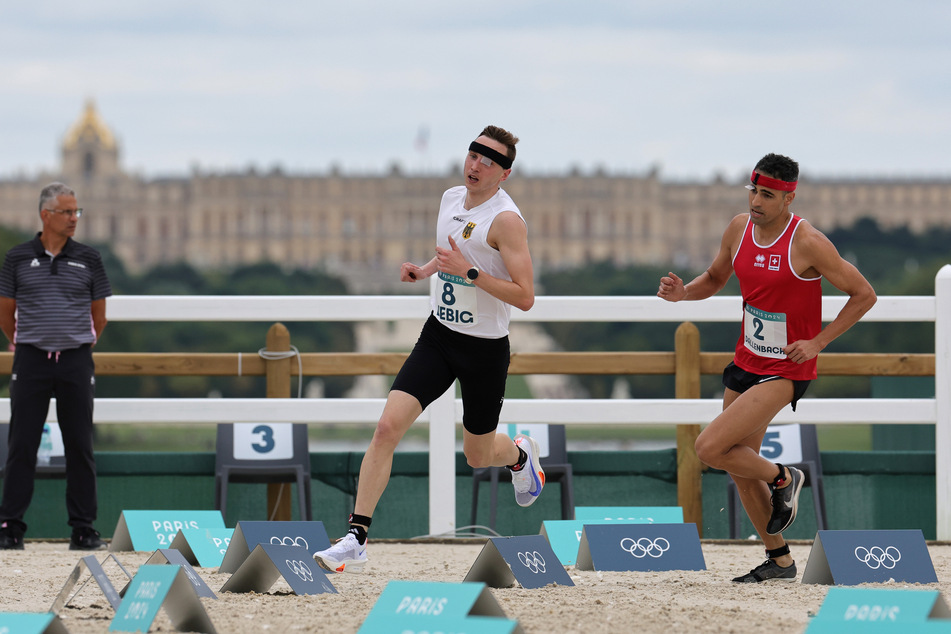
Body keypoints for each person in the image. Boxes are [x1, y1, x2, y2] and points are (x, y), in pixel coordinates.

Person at [313, 125, 540, 572]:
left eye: (488, 160)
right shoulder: (450, 198)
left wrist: (469, 274)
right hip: (439, 335)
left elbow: (525, 296)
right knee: (386, 429)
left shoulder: (507, 220)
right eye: (474, 154)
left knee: (477, 456)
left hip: (484, 349)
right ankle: (355, 538)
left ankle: (520, 456)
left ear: (504, 174)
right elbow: (453, 251)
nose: (476, 164)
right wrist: (426, 269)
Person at [657, 153, 876, 582]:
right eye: (754, 191)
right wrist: (684, 294)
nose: (757, 201)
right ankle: (779, 561)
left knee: (708, 448)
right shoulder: (739, 228)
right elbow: (716, 278)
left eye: (767, 195)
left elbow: (864, 294)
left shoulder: (808, 241)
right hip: (746, 360)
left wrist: (817, 342)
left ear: (789, 198)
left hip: (787, 369)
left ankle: (785, 477)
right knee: (738, 464)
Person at [0, 182, 112, 550]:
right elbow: (6, 311)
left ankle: (83, 528)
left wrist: (76, 342)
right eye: (67, 212)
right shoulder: (17, 257)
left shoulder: (90, 258)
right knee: (22, 443)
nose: (74, 218)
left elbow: (99, 314)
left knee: (80, 443)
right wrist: (29, 339)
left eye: (76, 211)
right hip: (31, 358)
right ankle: (10, 526)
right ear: (46, 215)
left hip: (75, 359)